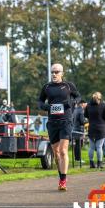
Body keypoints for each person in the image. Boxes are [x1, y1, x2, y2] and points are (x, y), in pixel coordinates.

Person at [38, 63, 80, 191]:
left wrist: (72, 102)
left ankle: (63, 181)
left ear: (62, 73)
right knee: (56, 153)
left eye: (57, 72)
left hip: (66, 121)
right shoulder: (46, 87)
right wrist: (45, 107)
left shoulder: (68, 85)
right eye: (52, 72)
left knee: (63, 151)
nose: (54, 74)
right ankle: (60, 175)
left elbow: (78, 96)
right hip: (52, 123)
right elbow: (40, 101)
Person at [84, 92, 105, 169]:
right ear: (100, 98)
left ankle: (91, 163)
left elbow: (85, 115)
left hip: (91, 127)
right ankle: (99, 163)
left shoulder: (88, 105)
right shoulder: (103, 105)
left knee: (91, 147)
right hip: (101, 128)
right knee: (99, 147)